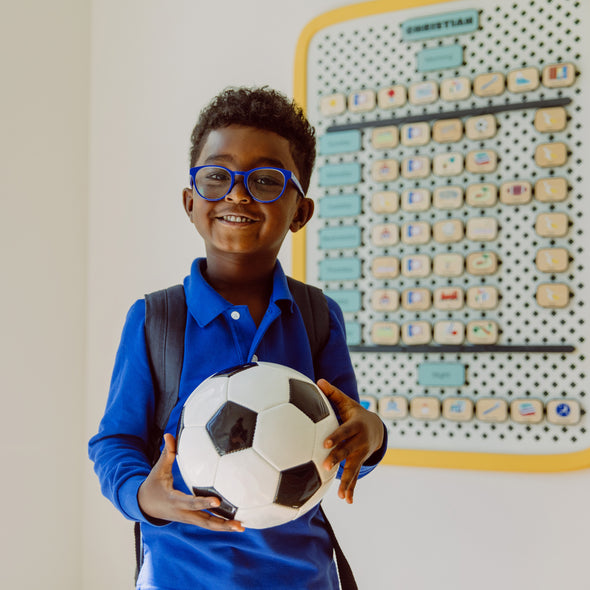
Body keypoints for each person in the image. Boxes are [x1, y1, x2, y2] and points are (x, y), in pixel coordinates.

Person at [89, 86, 387, 590]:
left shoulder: (317, 316)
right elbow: (114, 441)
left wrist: (372, 435)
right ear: (190, 201)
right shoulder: (156, 319)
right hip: (179, 576)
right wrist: (144, 496)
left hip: (303, 577)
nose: (239, 193)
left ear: (300, 213)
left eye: (267, 179)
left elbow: (342, 443)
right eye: (217, 176)